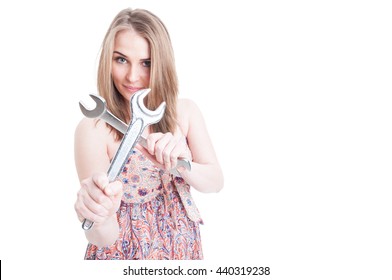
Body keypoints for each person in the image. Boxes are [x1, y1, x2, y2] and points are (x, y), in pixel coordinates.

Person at [74, 8, 224, 260]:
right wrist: (101, 217)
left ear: (161, 64)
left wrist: (182, 165)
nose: (132, 76)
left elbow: (215, 182)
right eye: (121, 59)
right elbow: (103, 238)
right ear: (107, 61)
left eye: (146, 63)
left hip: (182, 251)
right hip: (122, 257)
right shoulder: (93, 129)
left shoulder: (184, 113)